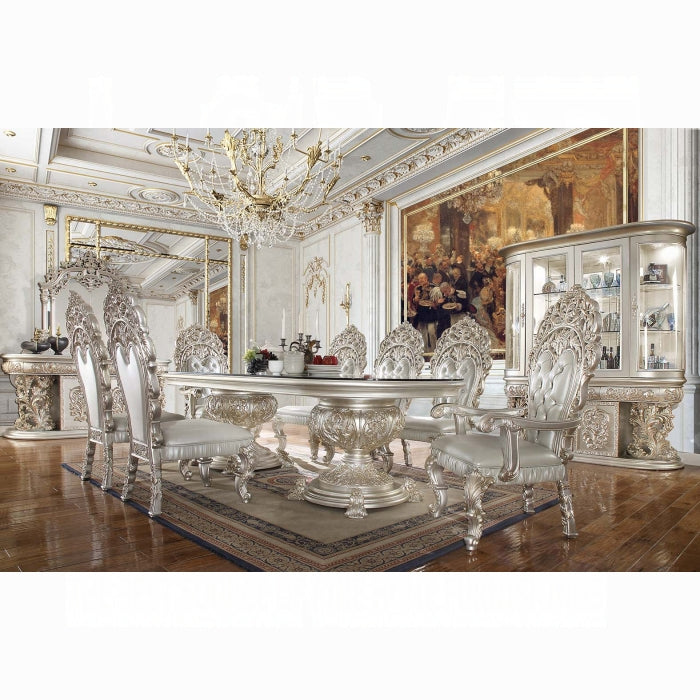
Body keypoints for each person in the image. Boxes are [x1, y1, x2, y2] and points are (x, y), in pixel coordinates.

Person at [412, 272, 438, 351]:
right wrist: (415, 299)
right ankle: (425, 351)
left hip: (431, 313)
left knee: (431, 332)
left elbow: (438, 299)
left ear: (426, 278)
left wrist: (435, 304)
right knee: (423, 334)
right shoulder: (417, 288)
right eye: (419, 279)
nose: (421, 280)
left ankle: (434, 351)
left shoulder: (433, 287)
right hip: (421, 313)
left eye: (422, 278)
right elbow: (414, 300)